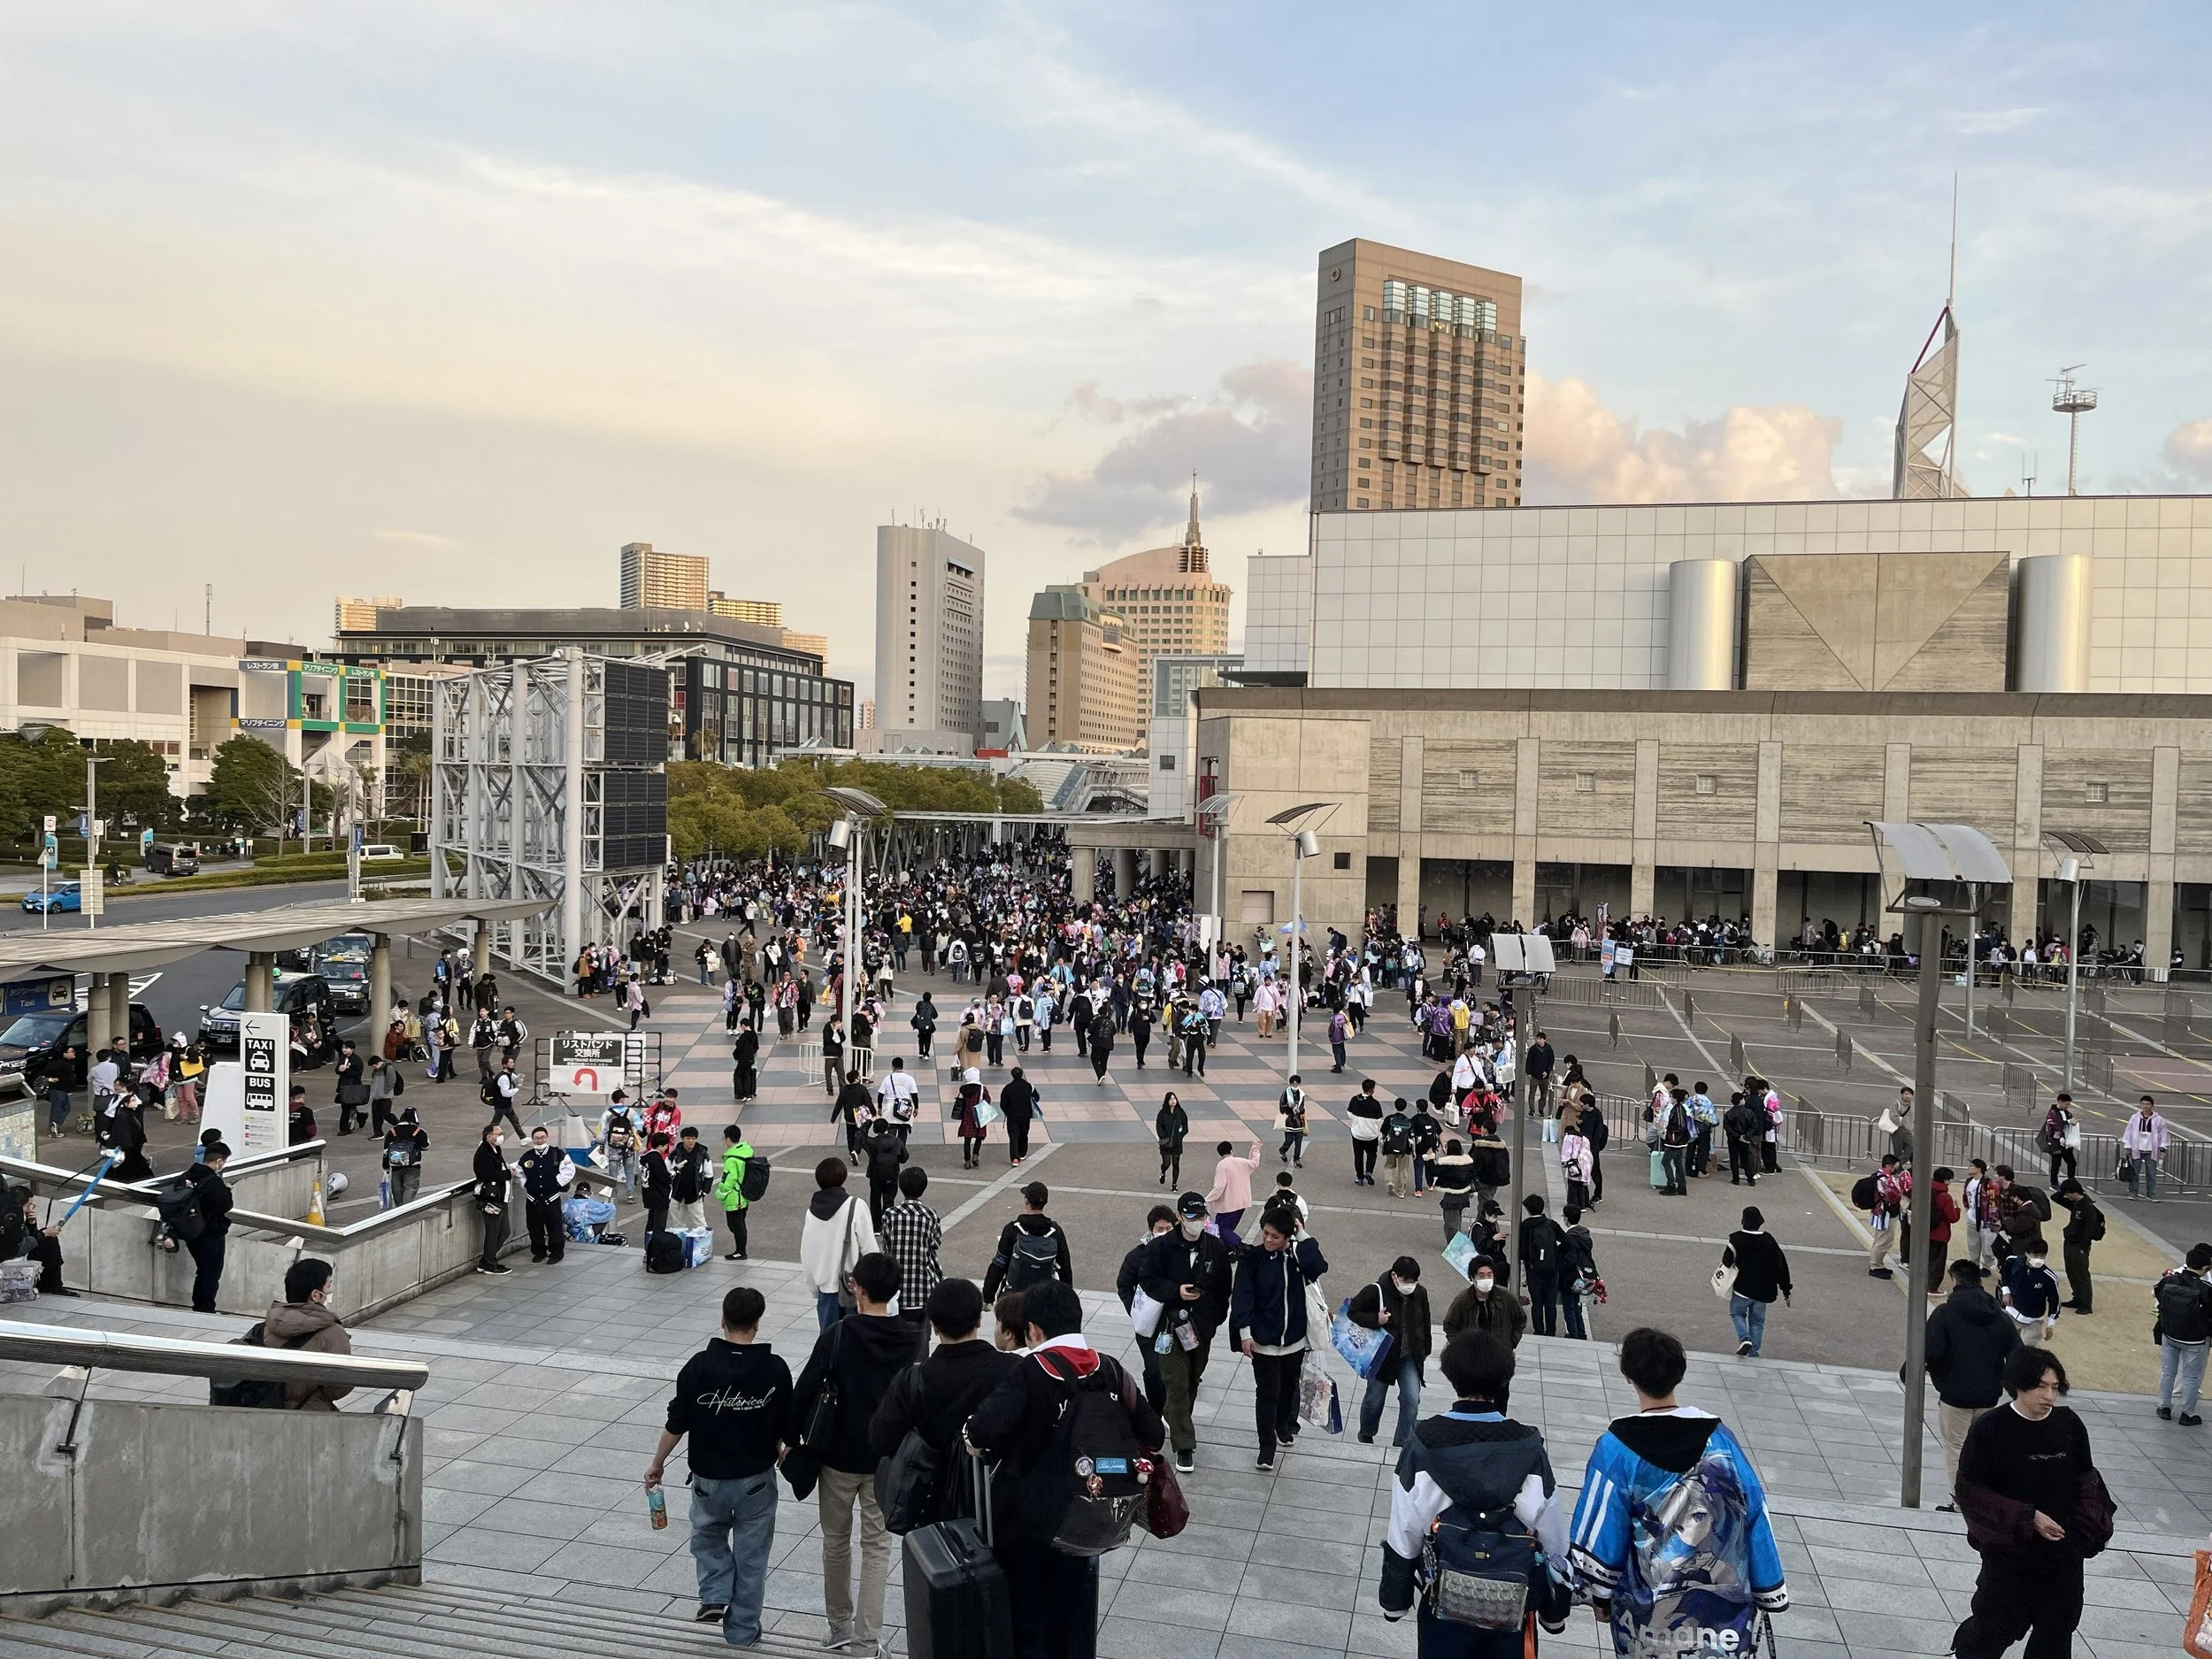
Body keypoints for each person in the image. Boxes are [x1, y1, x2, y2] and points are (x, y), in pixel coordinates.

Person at [965, 1279, 1165, 1659]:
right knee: (1072, 1615)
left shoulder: (1031, 1370)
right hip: (1089, 1515)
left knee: (1027, 1617)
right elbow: (1152, 1433)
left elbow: (982, 1430)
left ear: (1034, 1329)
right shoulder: (1110, 1368)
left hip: (1028, 1520)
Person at [1568, 1327, 1789, 1659]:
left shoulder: (1615, 1449)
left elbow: (1602, 1531)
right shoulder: (1720, 1439)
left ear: (1627, 1376)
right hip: (1722, 1623)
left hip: (1645, 1619)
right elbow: (1754, 1509)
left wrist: (1600, 1594)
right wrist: (1768, 1586)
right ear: (1679, 1374)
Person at [1377, 1331, 1571, 1658]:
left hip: (1445, 1602)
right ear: (1504, 1377)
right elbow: (1552, 1533)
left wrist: (1394, 1600)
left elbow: (1405, 1526)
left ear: (1451, 1376)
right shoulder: (1528, 1445)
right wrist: (1554, 1611)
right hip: (1512, 1602)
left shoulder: (1423, 1441)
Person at [646, 1288, 792, 1641]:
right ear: (758, 1324)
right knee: (752, 1557)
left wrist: (658, 1463)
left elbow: (676, 1422)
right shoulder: (774, 1369)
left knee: (707, 1536)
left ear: (722, 1321)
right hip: (756, 1479)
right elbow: (784, 1427)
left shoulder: (699, 1366)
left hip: (708, 1479)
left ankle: (714, 1593)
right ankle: (742, 1632)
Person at [1949, 1348, 2112, 1659]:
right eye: (2040, 1386)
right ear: (2018, 1385)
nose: (2049, 1395)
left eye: (2054, 1387)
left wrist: (2086, 1530)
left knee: (2057, 1632)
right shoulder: (1990, 1429)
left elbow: (2086, 1480)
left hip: (2062, 1556)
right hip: (2009, 1557)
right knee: (1992, 1629)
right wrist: (2028, 1517)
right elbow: (1971, 1492)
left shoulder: (2069, 1425)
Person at [791, 1253, 915, 1659]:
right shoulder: (913, 1338)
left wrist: (786, 1439)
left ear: (857, 1288)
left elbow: (805, 1390)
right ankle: (867, 1642)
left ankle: (839, 1626)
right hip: (886, 1461)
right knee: (877, 1547)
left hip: (837, 1457)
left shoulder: (839, 1335)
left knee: (835, 1541)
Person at [867, 1277, 1018, 1524]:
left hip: (930, 1511)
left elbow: (880, 1438)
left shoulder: (912, 1379)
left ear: (934, 1326)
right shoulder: (1014, 1371)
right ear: (979, 1320)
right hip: (998, 1508)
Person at [1136, 1190, 1235, 1474]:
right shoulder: (1161, 1247)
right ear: (1180, 1217)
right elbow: (1147, 1279)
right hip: (1169, 1326)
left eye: (1201, 1216)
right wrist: (1175, 1291)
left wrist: (1215, 1319)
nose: (1196, 1222)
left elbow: (1223, 1289)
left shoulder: (1215, 1248)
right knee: (1176, 1381)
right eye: (1191, 1217)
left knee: (1192, 1380)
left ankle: (1173, 1415)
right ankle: (1185, 1446)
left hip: (1202, 1328)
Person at [1227, 1208, 1328, 1471]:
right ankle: (1266, 1448)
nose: (1268, 1240)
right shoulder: (1253, 1259)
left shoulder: (1296, 1258)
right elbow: (1242, 1296)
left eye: (1275, 1236)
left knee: (1287, 1390)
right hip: (1263, 1342)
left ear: (1288, 1236)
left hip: (1294, 1340)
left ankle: (1282, 1424)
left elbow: (1318, 1267)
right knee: (1267, 1394)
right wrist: (1245, 1334)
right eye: (1266, 1234)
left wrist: (1302, 1233)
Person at [1922, 1260, 2020, 1510]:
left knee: (1956, 1448)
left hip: (1955, 1395)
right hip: (1989, 1395)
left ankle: (1961, 1502)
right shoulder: (2000, 1316)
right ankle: (1984, 1497)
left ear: (1954, 1280)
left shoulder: (1944, 1313)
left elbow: (1933, 1351)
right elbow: (2018, 1355)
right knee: (1983, 1449)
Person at [1346, 1256, 1432, 1450]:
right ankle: (1366, 1432)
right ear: (1394, 1276)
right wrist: (1376, 1319)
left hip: (1409, 1355)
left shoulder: (1420, 1293)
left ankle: (1402, 1441)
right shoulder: (1376, 1290)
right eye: (1406, 1281)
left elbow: (1425, 1322)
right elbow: (1353, 1312)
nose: (1410, 1286)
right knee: (1374, 1400)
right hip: (1382, 1355)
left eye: (1414, 1282)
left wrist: (1425, 1349)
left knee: (1412, 1398)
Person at [799, 1159, 879, 1331]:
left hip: (826, 1292)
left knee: (830, 1346)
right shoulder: (855, 1206)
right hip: (854, 1289)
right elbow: (871, 1251)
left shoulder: (811, 1212)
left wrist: (814, 1288)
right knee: (856, 1343)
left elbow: (807, 1253)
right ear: (843, 1177)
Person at [264, 1257, 354, 1409]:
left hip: (265, 1404)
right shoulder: (333, 1333)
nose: (331, 1290)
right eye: (329, 1285)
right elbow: (340, 1385)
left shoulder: (270, 1322)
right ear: (316, 1295)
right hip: (308, 1410)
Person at [878, 1166, 943, 1357]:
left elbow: (886, 1246)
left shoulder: (890, 1215)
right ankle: (919, 1372)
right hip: (924, 1286)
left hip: (895, 1288)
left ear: (900, 1187)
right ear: (923, 1188)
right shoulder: (930, 1215)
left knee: (896, 1335)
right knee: (923, 1337)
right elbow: (935, 1242)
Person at [1719, 1206, 1791, 1358]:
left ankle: (1745, 1338)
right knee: (1757, 1321)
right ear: (1760, 1222)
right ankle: (1753, 1352)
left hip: (1742, 1288)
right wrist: (1785, 1289)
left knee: (1737, 1313)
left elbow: (1726, 1261)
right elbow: (1781, 1265)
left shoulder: (1736, 1239)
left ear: (1743, 1221)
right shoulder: (1769, 1240)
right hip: (1763, 1290)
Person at [2153, 1241, 2211, 1426]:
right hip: (2195, 1339)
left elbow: (2158, 1295)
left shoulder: (2169, 1281)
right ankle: (2188, 1413)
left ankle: (2164, 1407)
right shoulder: (2205, 1289)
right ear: (2205, 1267)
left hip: (2169, 1333)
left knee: (2168, 1372)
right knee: (2192, 1377)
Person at [982, 1181, 1072, 1299]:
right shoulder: (1055, 1232)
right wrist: (1067, 1299)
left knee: (1007, 1315)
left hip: (1013, 1297)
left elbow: (999, 1264)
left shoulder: (1013, 1229)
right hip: (1042, 1297)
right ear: (1045, 1203)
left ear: (1026, 1201)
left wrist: (988, 1296)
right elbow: (1065, 1267)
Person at [181, 1143, 234, 1311]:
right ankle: (204, 1308)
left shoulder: (186, 1176)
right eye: (223, 1162)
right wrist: (227, 1190)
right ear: (218, 1161)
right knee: (210, 1273)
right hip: (210, 1233)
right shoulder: (212, 1181)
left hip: (191, 1231)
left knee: (203, 1271)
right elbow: (225, 1205)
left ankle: (202, 1305)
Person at [0, 1182, 73, 1298]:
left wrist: (31, 1223)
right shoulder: (9, 1218)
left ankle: (53, 1285)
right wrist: (43, 1234)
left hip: (18, 1252)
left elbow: (26, 1237)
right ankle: (51, 1286)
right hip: (10, 1256)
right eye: (29, 1205)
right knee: (47, 1238)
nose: (31, 1208)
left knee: (49, 1240)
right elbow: (17, 1246)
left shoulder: (15, 1215)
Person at [516, 1125, 574, 1265]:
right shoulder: (527, 1156)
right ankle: (539, 1251)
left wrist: (557, 1183)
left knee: (554, 1226)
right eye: (536, 1138)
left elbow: (569, 1170)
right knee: (534, 1227)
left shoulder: (557, 1154)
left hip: (551, 1199)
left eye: (542, 1137)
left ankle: (556, 1252)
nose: (540, 1141)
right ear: (533, 1139)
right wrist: (526, 1184)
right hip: (533, 1200)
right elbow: (519, 1172)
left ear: (547, 1137)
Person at [1442, 1256, 1526, 1348]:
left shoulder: (1505, 1296)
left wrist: (1511, 1343)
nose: (1486, 1279)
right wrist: (1460, 1346)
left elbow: (1520, 1320)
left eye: (1489, 1275)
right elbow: (1449, 1326)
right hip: (1472, 1354)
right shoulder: (1463, 1300)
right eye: (1481, 1276)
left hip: (1500, 1353)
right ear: (1472, 1278)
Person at [1517, 1195, 1566, 1338]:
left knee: (1537, 1303)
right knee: (1550, 1304)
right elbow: (1567, 1243)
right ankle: (1551, 1331)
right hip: (1552, 1270)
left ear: (1528, 1209)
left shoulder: (1526, 1225)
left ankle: (1539, 1330)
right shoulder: (1551, 1224)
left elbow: (1523, 1251)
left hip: (1534, 1271)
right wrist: (1556, 1256)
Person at [2000, 1235, 2062, 1343]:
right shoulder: (2013, 1261)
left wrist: (2051, 1324)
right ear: (2027, 1254)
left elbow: (2055, 1300)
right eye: (2035, 1255)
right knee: (2004, 1344)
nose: (2039, 1259)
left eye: (2042, 1256)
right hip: (2011, 1313)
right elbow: (2004, 1274)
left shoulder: (2049, 1278)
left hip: (2034, 1321)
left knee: (2027, 1351)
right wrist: (2006, 1292)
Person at [2055, 1179, 2103, 1314]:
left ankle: (2086, 1304)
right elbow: (2056, 1197)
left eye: (2067, 1193)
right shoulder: (2075, 1203)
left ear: (2073, 1192)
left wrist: (2083, 1247)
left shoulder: (2087, 1207)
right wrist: (2063, 1191)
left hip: (2079, 1246)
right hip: (2070, 1242)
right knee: (2071, 1272)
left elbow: (2089, 1229)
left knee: (2082, 1275)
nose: (2066, 1196)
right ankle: (2077, 1298)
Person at [1204, 1138, 1263, 1240]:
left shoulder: (1222, 1165)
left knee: (1222, 1230)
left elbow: (1220, 1186)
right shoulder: (1241, 1162)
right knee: (1227, 1230)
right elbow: (1254, 1163)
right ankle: (1232, 1248)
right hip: (1242, 1202)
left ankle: (1237, 1246)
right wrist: (1256, 1147)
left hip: (1228, 1205)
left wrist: (1208, 1199)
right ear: (1231, 1150)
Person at [716, 1124, 757, 1261]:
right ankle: (741, 1250)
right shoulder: (746, 1151)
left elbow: (729, 1180)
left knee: (735, 1224)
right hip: (744, 1195)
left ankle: (741, 1251)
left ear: (728, 1139)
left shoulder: (732, 1159)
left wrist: (720, 1193)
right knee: (740, 1223)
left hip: (735, 1198)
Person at [860, 1116, 907, 1227]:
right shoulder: (896, 1141)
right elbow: (904, 1158)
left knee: (875, 1199)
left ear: (875, 1130)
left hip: (876, 1175)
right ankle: (887, 1224)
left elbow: (861, 1137)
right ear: (888, 1127)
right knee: (889, 1200)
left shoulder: (872, 1142)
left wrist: (868, 1123)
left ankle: (876, 1226)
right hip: (892, 1175)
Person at [2122, 1095, 2170, 1198]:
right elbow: (2129, 1132)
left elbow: (2163, 1134)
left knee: (2151, 1174)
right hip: (2137, 1148)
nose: (2145, 1106)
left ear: (2152, 1106)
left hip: (2151, 1149)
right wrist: (2128, 1146)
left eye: (2147, 1104)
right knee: (2135, 1172)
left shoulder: (2159, 1120)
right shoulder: (2134, 1118)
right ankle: (2133, 1192)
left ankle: (2151, 1193)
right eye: (2143, 1104)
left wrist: (2163, 1147)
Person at [669, 1125, 712, 1238]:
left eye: (693, 1138)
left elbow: (709, 1175)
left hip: (695, 1194)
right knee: (678, 1225)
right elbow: (667, 1172)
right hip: (676, 1194)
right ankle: (680, 1246)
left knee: (701, 1224)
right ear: (683, 1139)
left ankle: (704, 1247)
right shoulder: (674, 1155)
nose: (691, 1141)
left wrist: (704, 1192)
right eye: (688, 1138)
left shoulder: (703, 1155)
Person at [1431, 1138, 1475, 1245]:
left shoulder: (1446, 1163)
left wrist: (1436, 1158)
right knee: (1457, 1220)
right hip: (1464, 1194)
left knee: (1451, 1223)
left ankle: (1455, 1245)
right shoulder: (1467, 1162)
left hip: (1451, 1196)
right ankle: (1457, 1242)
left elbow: (1433, 1172)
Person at [381, 1107, 428, 1208]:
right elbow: (426, 1146)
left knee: (397, 1188)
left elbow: (386, 1151)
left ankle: (399, 1207)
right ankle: (406, 1208)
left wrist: (385, 1167)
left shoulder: (392, 1131)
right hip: (413, 1165)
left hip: (396, 1165)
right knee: (410, 1187)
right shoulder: (418, 1131)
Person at [1346, 1077, 1385, 1187]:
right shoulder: (1375, 1104)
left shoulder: (1354, 1099)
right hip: (1371, 1135)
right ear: (1372, 1090)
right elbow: (1379, 1120)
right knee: (1372, 1154)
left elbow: (1349, 1114)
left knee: (1358, 1155)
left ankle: (1360, 1178)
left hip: (1357, 1133)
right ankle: (1369, 1171)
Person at [1000, 1065, 1038, 1165]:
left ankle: (1015, 1158)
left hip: (1012, 1116)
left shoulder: (1008, 1088)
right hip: (1026, 1115)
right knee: (1024, 1134)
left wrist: (1007, 1112)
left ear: (1012, 1075)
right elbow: (1037, 1098)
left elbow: (1003, 1104)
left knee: (1013, 1137)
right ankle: (1022, 1152)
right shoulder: (1029, 1086)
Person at [1379, 1098, 1417, 1198]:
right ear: (1405, 1107)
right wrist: (1414, 1152)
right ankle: (1401, 1191)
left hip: (1390, 1147)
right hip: (1404, 1149)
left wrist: (1383, 1144)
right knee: (1403, 1170)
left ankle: (1389, 1182)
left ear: (1395, 1106)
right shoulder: (1408, 1121)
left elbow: (1383, 1133)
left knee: (1389, 1166)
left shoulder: (1389, 1119)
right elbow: (1412, 1137)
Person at [1156, 1090, 1189, 1187]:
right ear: (1167, 1101)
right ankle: (1163, 1172)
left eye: (1174, 1099)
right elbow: (1159, 1127)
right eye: (1170, 1099)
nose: (1173, 1101)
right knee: (1166, 1164)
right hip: (1166, 1143)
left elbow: (1185, 1127)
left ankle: (1174, 1184)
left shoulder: (1181, 1113)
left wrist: (1180, 1135)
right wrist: (1164, 1137)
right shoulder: (1162, 1113)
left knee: (1176, 1164)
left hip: (1177, 1143)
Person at [1276, 1075, 1310, 1166]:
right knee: (1289, 1141)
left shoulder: (1301, 1094)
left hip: (1299, 1121)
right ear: (1290, 1083)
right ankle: (1283, 1150)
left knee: (1298, 1142)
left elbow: (1303, 1108)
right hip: (1289, 1121)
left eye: (1297, 1084)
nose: (1295, 1085)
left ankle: (1296, 1160)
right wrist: (1289, 1106)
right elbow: (1282, 1108)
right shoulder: (1285, 1094)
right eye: (1293, 1084)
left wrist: (1300, 1110)